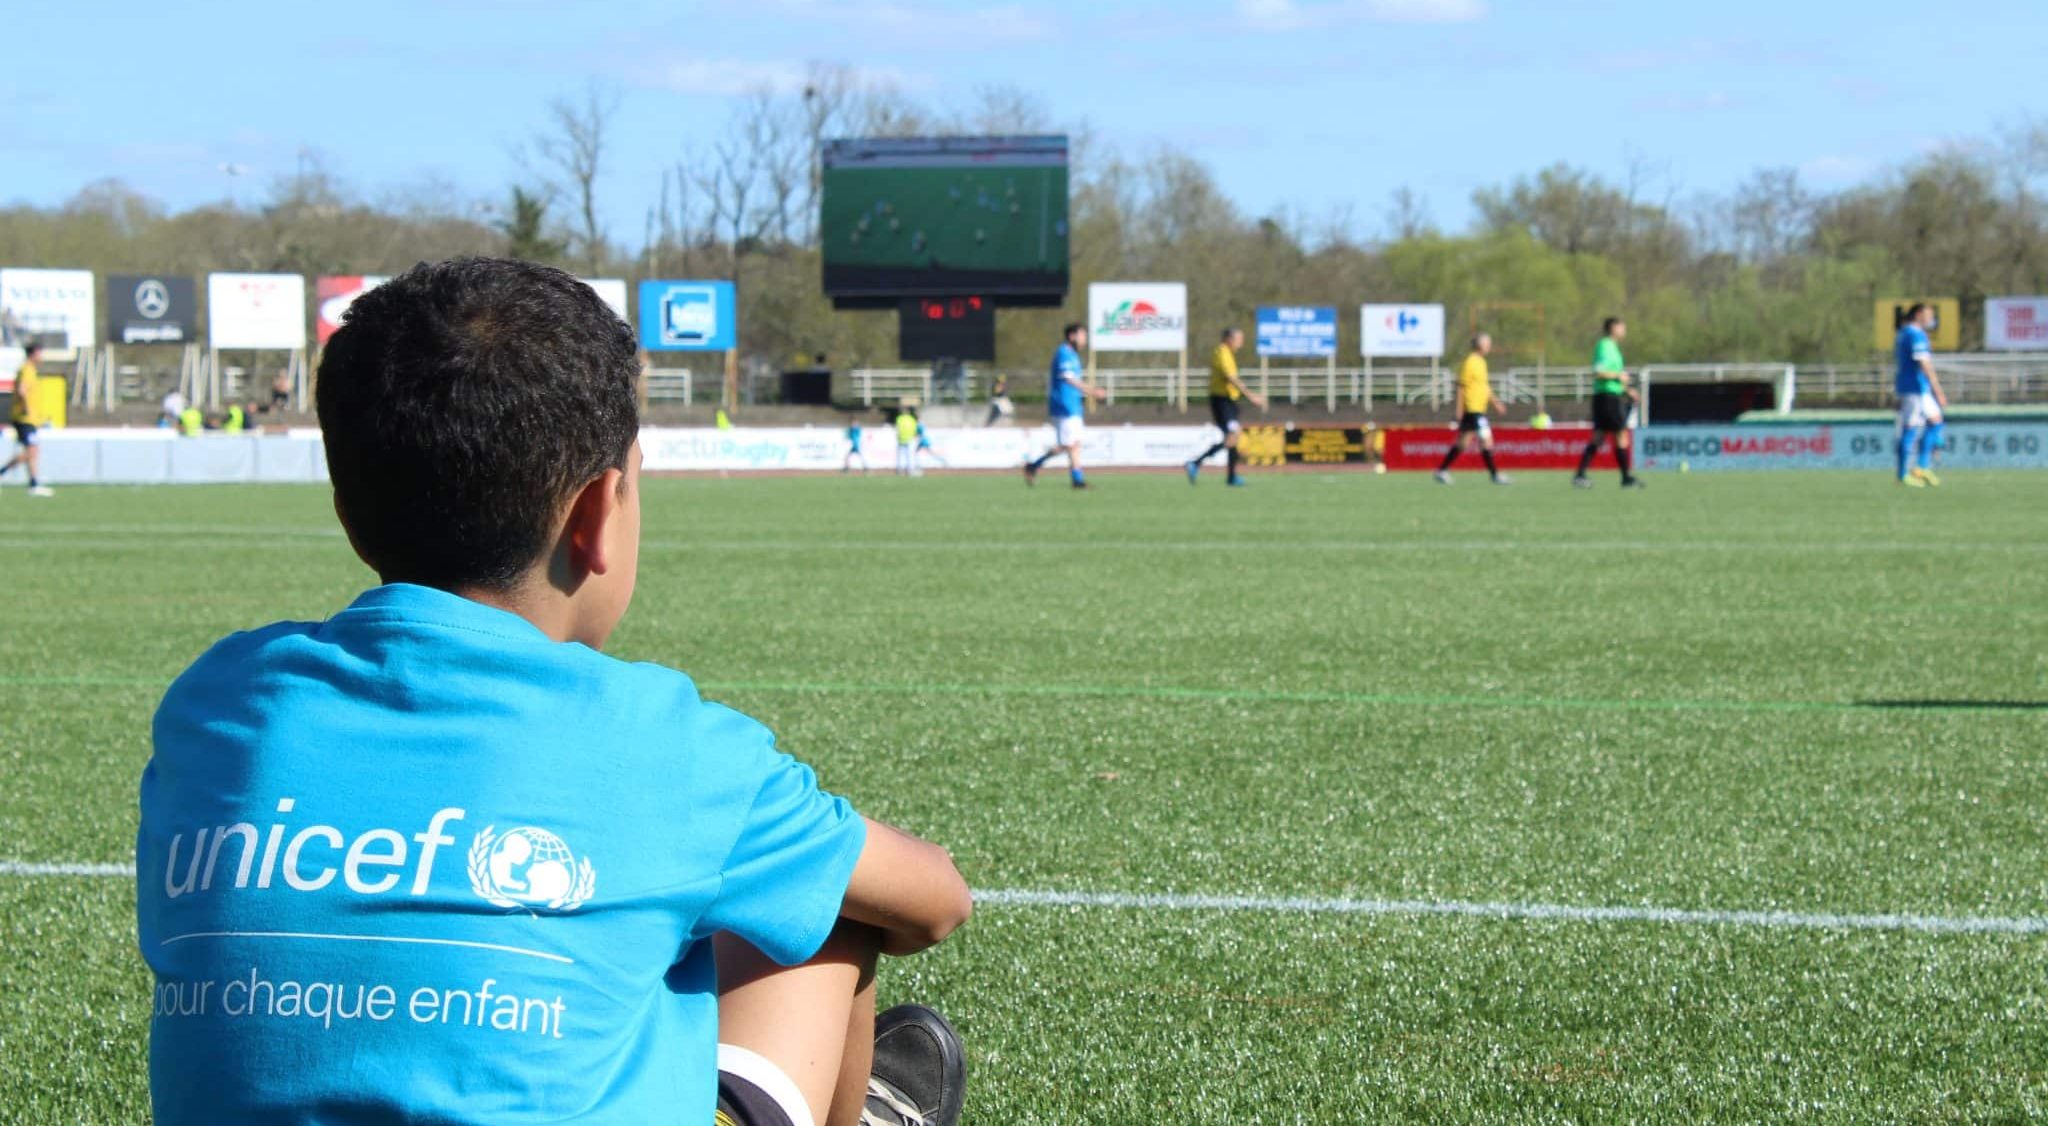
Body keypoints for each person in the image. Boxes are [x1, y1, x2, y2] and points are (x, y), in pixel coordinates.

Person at [135, 258, 973, 1126]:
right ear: (598, 513)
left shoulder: (217, 701)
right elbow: (934, 898)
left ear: (346, 512)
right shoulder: (660, 741)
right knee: (819, 907)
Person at [1023, 323, 1107, 489]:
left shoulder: (1073, 356)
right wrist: (1092, 391)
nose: (1084, 340)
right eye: (1082, 336)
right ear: (1072, 336)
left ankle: (1074, 479)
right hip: (1064, 405)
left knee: (1072, 444)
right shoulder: (1064, 353)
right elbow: (1070, 379)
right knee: (1070, 444)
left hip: (1073, 405)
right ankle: (1038, 467)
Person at [1185, 327, 1267, 487]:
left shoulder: (1227, 354)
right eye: (1239, 340)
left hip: (1228, 401)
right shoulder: (1222, 352)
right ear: (1229, 339)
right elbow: (1231, 377)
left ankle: (1230, 477)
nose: (1241, 344)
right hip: (1222, 401)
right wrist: (1251, 396)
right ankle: (1196, 463)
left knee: (1233, 437)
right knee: (1233, 435)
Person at [1572, 317, 1643, 489]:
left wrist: (1627, 390)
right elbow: (1599, 371)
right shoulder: (1605, 345)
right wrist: (1619, 377)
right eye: (1622, 326)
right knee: (1620, 434)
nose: (1624, 329)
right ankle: (1626, 478)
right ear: (1613, 328)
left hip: (1610, 395)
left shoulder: (1613, 347)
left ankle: (1580, 475)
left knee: (1600, 436)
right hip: (1607, 397)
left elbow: (1614, 373)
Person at [1434, 332, 1511, 485]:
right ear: (1480, 345)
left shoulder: (1482, 362)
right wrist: (1459, 410)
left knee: (1463, 443)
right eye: (1487, 344)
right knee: (1486, 440)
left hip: (1479, 409)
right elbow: (1461, 386)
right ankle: (1494, 475)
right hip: (1472, 409)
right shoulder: (1469, 362)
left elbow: (1485, 387)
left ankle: (1442, 470)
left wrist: (1495, 403)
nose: (1489, 347)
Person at [1894, 303, 1948, 487]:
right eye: (1928, 315)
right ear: (1918, 314)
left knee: (1936, 421)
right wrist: (1938, 389)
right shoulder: (1914, 334)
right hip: (1914, 389)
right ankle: (1902, 475)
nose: (1931, 319)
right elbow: (1923, 363)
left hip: (1919, 389)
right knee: (1910, 428)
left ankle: (1921, 467)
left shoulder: (1905, 333)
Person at [2, 343, 54, 497]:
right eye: (40, 353)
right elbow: (22, 390)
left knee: (33, 451)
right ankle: (3, 472)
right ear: (33, 354)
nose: (41, 356)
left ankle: (33, 484)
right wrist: (26, 408)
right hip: (25, 418)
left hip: (30, 419)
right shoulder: (26, 370)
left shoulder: (30, 370)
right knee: (31, 451)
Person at [893, 407, 919, 477]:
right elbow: (915, 429)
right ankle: (910, 470)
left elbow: (897, 428)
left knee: (900, 456)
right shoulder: (912, 419)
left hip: (901, 439)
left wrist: (897, 436)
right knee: (910, 456)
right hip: (910, 439)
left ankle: (899, 471)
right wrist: (915, 437)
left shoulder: (899, 418)